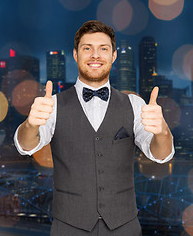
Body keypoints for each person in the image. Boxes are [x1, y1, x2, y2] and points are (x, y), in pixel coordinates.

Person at [14, 20, 174, 236]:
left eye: (103, 49)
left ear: (114, 56)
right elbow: (25, 146)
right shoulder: (53, 105)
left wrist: (162, 131)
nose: (95, 55)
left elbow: (160, 155)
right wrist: (30, 124)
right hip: (68, 227)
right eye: (87, 48)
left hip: (124, 226)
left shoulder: (135, 105)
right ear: (75, 54)